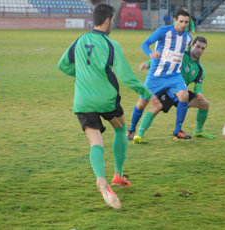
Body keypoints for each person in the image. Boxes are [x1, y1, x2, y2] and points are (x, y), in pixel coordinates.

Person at [58, 3, 155, 209]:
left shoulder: (80, 40)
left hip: (83, 101)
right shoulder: (112, 45)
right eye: (113, 19)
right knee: (120, 128)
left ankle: (100, 179)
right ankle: (118, 175)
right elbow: (127, 77)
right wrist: (147, 93)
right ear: (107, 20)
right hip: (106, 99)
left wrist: (83, 75)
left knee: (95, 142)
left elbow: (63, 65)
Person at [127, 10, 193, 144]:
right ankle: (131, 130)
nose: (183, 24)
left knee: (184, 95)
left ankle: (177, 131)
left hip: (175, 75)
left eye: (186, 22)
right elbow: (144, 44)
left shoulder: (188, 39)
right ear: (175, 20)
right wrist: (151, 54)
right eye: (181, 21)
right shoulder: (163, 31)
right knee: (142, 103)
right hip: (156, 76)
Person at [137, 36, 214, 139]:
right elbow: (163, 60)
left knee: (205, 104)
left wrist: (199, 92)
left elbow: (198, 83)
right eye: (198, 46)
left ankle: (198, 131)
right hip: (167, 88)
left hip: (181, 93)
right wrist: (147, 64)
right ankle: (139, 135)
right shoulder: (180, 55)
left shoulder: (199, 69)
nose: (200, 50)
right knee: (156, 107)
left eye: (203, 48)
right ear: (191, 45)